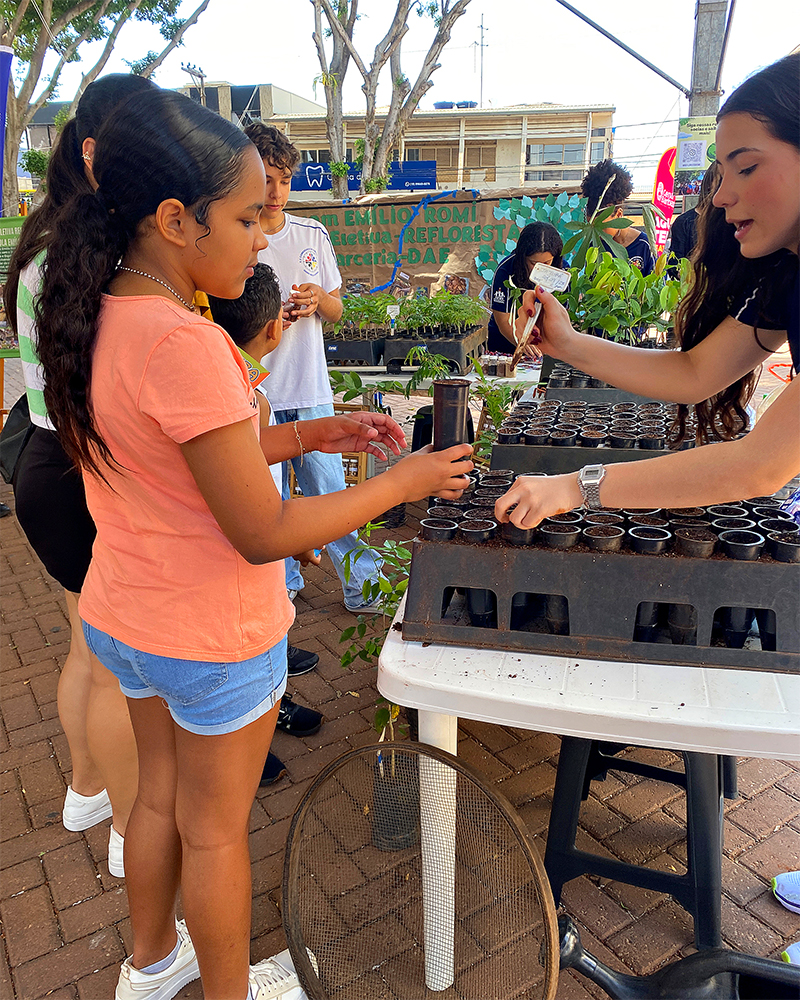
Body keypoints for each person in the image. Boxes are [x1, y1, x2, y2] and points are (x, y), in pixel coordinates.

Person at [35, 86, 472, 1000]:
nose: (263, 236)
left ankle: (151, 964)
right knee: (217, 830)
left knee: (156, 800)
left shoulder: (101, 309)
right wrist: (402, 483)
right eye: (244, 216)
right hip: (209, 635)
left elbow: (179, 459)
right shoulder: (186, 342)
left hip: (129, 615)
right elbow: (261, 526)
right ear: (174, 220)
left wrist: (307, 436)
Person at [494, 53, 798, 549]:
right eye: (722, 173)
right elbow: (695, 375)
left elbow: (761, 465)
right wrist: (566, 342)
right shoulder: (787, 278)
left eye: (746, 168)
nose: (720, 197)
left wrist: (575, 487)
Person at [4, 74, 156, 877]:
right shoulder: (92, 252)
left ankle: (86, 790)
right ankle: (133, 833)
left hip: (39, 462)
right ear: (97, 152)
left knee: (84, 649)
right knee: (115, 664)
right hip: (81, 472)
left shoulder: (39, 237)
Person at [242, 122, 383, 614]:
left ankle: (363, 584)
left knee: (331, 494)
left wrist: (320, 298)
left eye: (283, 179)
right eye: (265, 179)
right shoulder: (236, 237)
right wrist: (268, 315)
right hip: (257, 394)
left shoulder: (312, 235)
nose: (275, 191)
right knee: (270, 504)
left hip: (308, 387)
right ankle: (282, 587)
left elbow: (339, 310)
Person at [207, 263, 325, 785]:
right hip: (234, 566)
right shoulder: (240, 395)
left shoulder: (243, 386)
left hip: (252, 552)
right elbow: (258, 511)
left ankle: (264, 713)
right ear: (277, 326)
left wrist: (316, 435)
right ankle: (241, 743)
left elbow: (260, 468)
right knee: (233, 669)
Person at [486, 221, 563, 352]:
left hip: (547, 346)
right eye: (533, 263)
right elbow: (503, 321)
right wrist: (521, 343)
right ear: (522, 257)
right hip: (506, 342)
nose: (540, 269)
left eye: (546, 262)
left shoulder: (562, 272)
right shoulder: (505, 270)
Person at [580, 158, 655, 275]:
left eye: (600, 228)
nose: (596, 234)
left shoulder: (643, 245)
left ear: (618, 214)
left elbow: (656, 286)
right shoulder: (594, 247)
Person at [667, 163, 720, 264]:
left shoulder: (735, 222)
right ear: (709, 183)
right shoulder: (684, 222)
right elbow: (674, 265)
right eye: (720, 180)